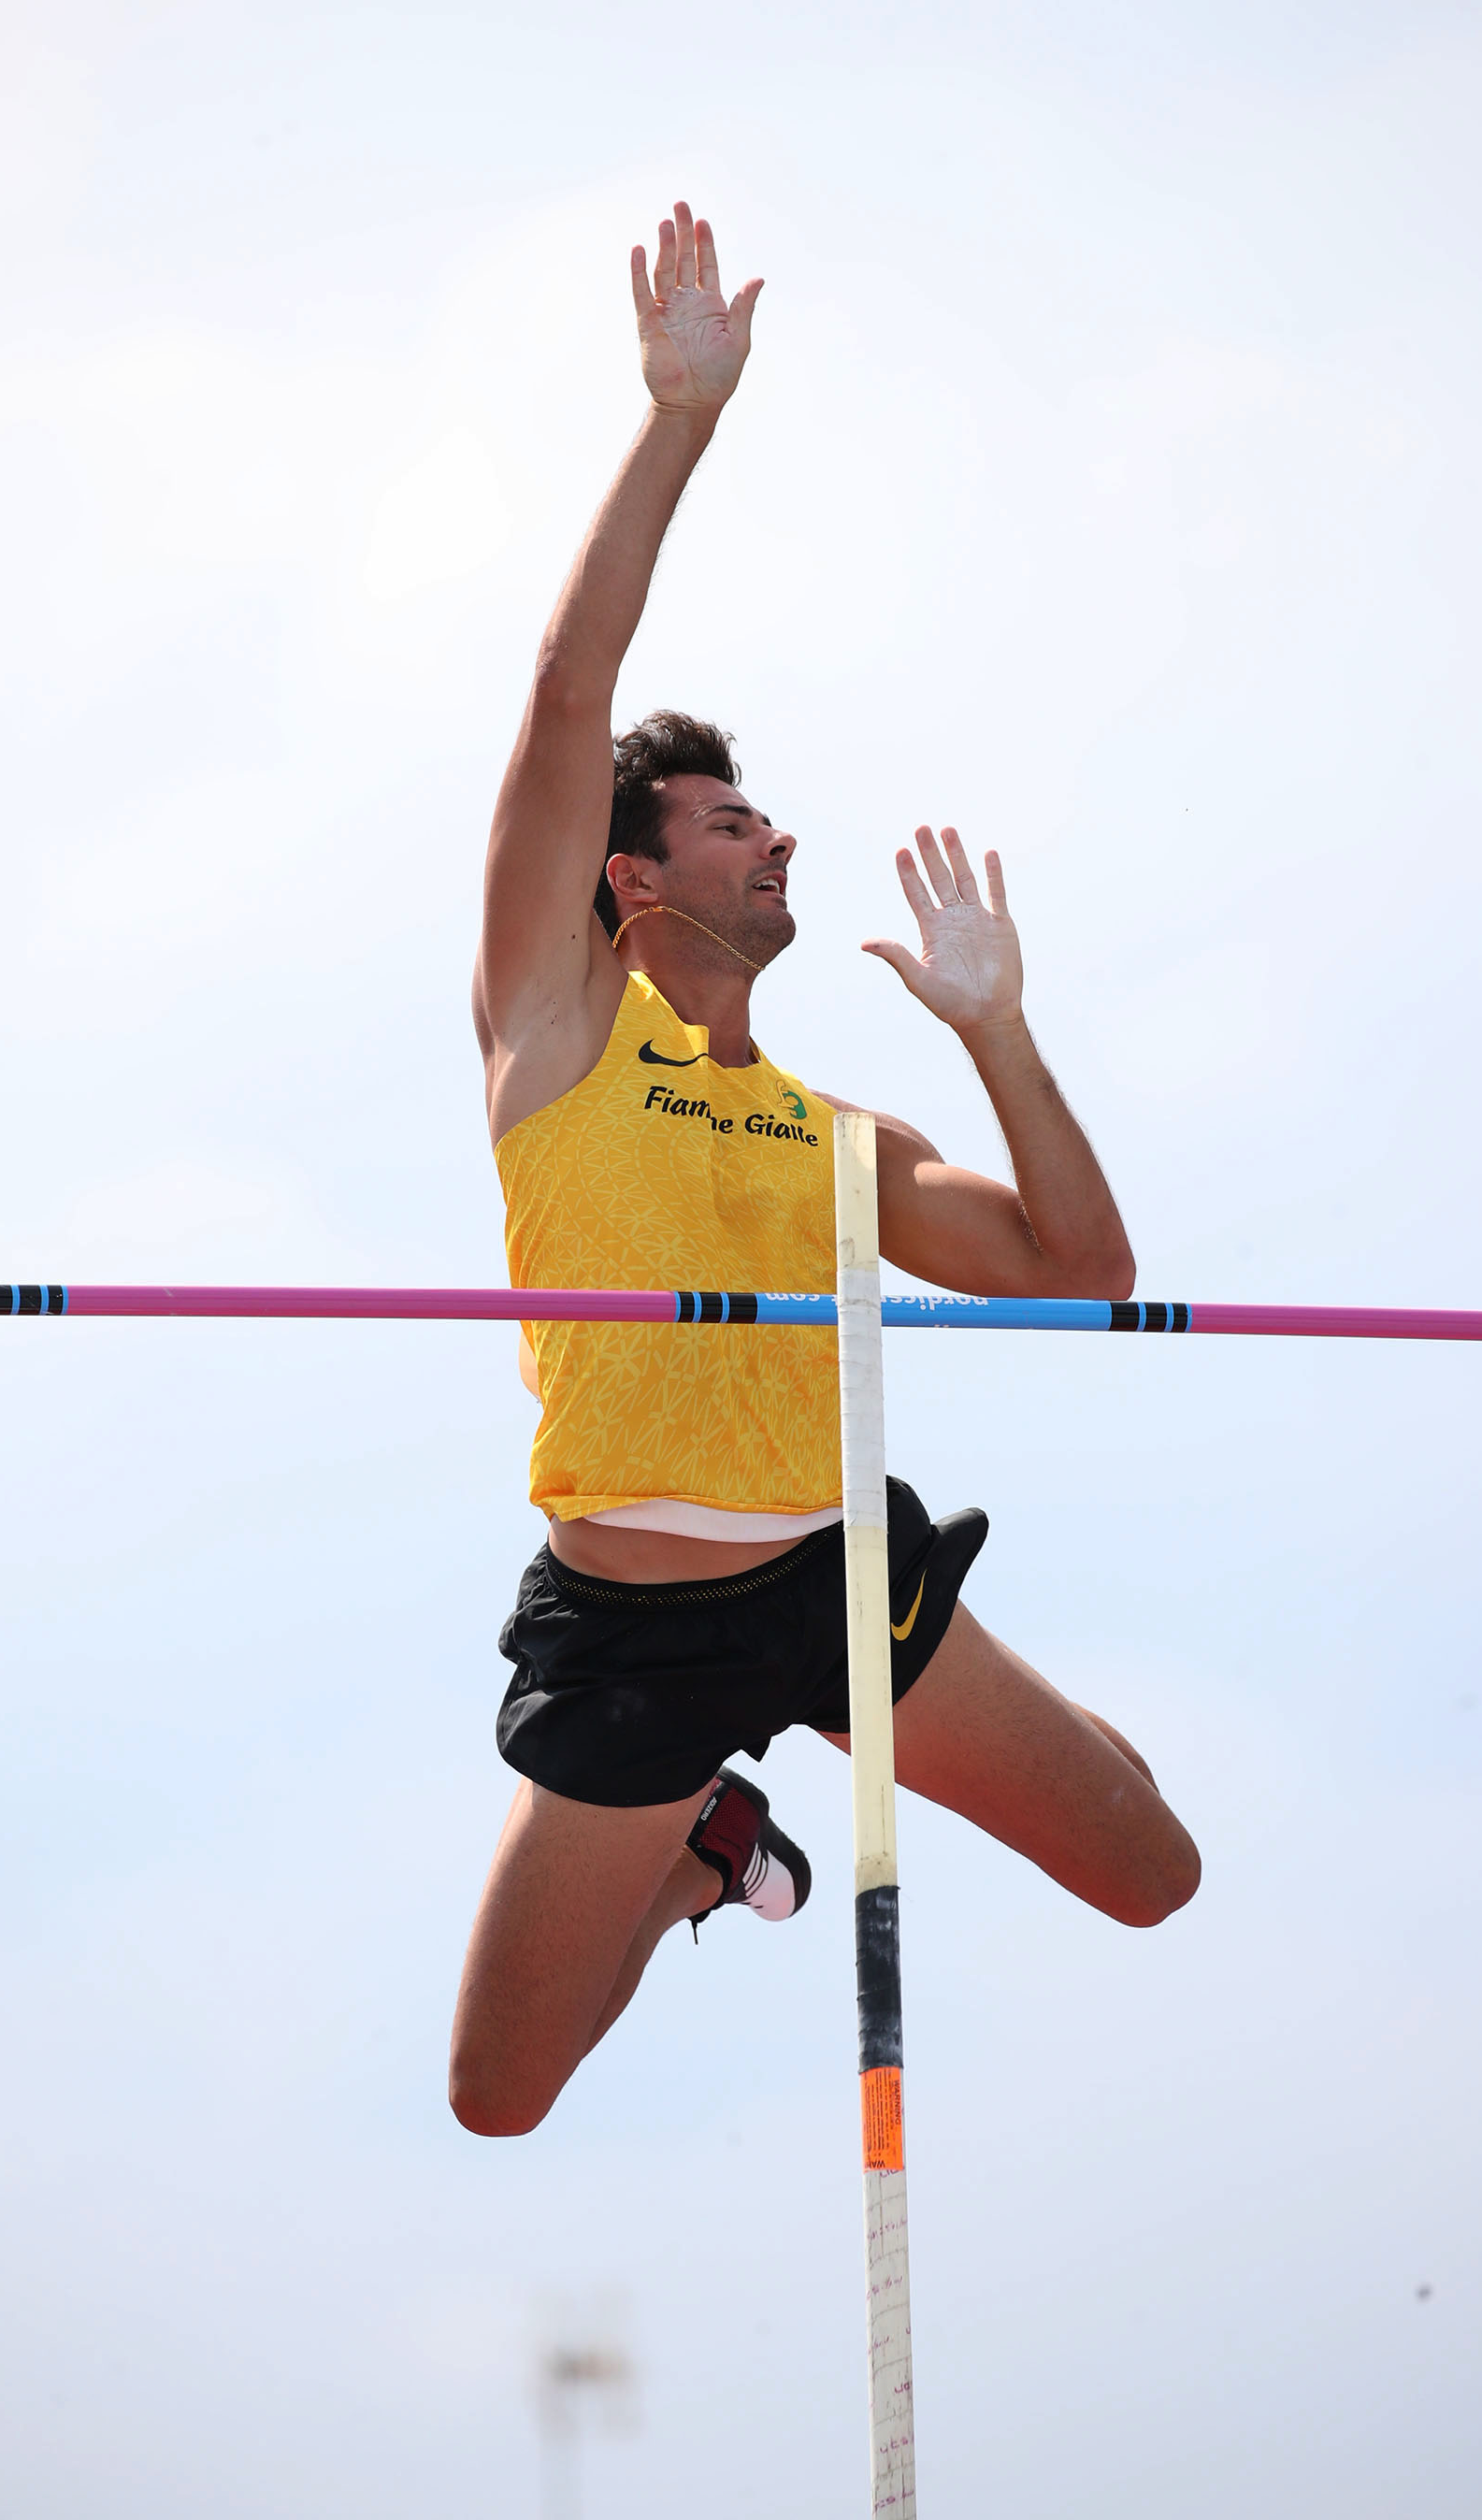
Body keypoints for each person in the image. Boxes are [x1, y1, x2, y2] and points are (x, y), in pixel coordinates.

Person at [453, 203, 1200, 2138]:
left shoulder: (834, 1138)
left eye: (769, 816)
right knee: (501, 2093)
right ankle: (705, 1842)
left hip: (832, 1575)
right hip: (632, 1628)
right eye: (728, 822)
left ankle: (923, 1730)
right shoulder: (555, 1029)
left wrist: (994, 1028)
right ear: (628, 878)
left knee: (1153, 1869)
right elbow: (566, 690)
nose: (776, 838)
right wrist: (680, 418)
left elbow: (1082, 1269)